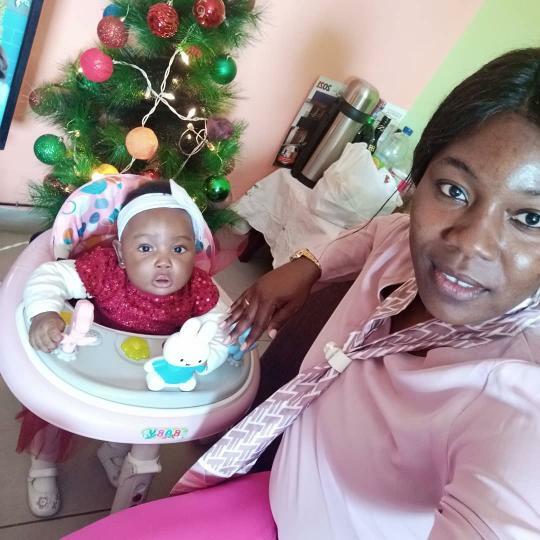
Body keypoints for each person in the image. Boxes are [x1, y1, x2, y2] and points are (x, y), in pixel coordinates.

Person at [68, 47, 540, 539]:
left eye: (530, 218)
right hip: (275, 496)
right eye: (454, 190)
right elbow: (380, 233)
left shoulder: (521, 400)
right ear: (417, 182)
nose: (470, 242)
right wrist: (307, 264)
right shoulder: (403, 246)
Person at [19, 179, 221, 517]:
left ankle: (113, 451)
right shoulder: (104, 269)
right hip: (90, 360)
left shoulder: (197, 287)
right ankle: (43, 463)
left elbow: (220, 322)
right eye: (146, 248)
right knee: (54, 412)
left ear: (193, 252)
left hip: (147, 373)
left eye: (178, 249)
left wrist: (211, 348)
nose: (163, 261)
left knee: (142, 416)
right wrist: (43, 313)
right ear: (121, 252)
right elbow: (49, 276)